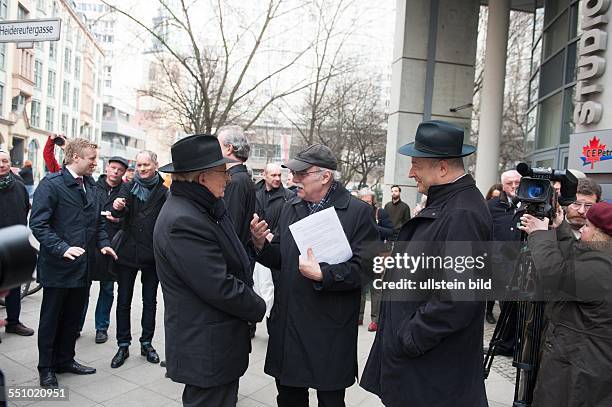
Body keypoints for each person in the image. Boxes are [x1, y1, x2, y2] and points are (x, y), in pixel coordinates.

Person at [361, 120, 492, 407]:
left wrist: (410, 337)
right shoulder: (448, 204)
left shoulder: (462, 213)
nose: (410, 172)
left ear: (442, 168)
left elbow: (458, 297)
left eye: (417, 165)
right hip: (425, 369)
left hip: (432, 373)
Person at [250, 144, 378, 407]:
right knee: (288, 397)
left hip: (328, 328)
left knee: (330, 400)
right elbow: (281, 258)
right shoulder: (290, 207)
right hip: (289, 326)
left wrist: (325, 274)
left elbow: (367, 269)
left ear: (325, 176)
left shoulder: (358, 212)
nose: (293, 180)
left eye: (301, 174)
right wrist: (261, 245)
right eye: (293, 174)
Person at [154, 134, 266, 407]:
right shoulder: (183, 220)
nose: (228, 179)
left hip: (219, 345)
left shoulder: (205, 206)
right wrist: (258, 306)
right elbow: (219, 285)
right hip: (205, 349)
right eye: (222, 173)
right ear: (202, 178)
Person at [30, 138, 117, 387]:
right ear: (75, 157)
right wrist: (62, 248)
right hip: (59, 267)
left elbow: (98, 223)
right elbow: (38, 224)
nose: (95, 163)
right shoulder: (52, 184)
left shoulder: (91, 186)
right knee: (51, 318)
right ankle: (46, 367)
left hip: (82, 267)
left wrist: (103, 244)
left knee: (72, 317)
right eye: (91, 158)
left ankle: (65, 359)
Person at [519, 202, 612, 407]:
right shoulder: (600, 258)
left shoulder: (602, 269)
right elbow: (574, 260)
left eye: (587, 226)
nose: (582, 230)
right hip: (580, 358)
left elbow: (555, 275)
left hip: (579, 368)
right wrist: (560, 228)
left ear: (601, 235)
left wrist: (538, 235)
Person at [109, 150, 168, 368]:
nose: (141, 169)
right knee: (123, 300)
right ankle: (123, 344)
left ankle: (146, 343)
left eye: (146, 165)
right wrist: (118, 208)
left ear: (155, 165)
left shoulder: (163, 192)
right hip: (127, 252)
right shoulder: (128, 187)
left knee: (149, 301)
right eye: (139, 165)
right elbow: (119, 214)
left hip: (152, 254)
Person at [78, 156, 128, 344]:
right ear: (107, 168)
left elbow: (130, 218)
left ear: (124, 173)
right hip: (90, 243)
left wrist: (118, 218)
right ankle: (76, 325)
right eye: (113, 167)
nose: (115, 172)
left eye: (119, 170)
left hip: (112, 244)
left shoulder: (126, 190)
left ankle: (101, 327)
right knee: (83, 288)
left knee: (107, 289)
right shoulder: (93, 186)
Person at [485, 170, 522, 358]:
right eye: (510, 183)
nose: (514, 186)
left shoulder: (532, 205)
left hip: (525, 265)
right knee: (506, 305)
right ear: (502, 185)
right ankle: (504, 344)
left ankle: (517, 345)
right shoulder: (492, 206)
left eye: (517, 182)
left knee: (520, 308)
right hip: (500, 264)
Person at [0, 149, 35, 340]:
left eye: (5, 161)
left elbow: (24, 209)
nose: (2, 165)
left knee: (14, 284)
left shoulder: (19, 185)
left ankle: (13, 322)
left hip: (14, 244)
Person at [357, 188, 393, 332]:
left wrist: (374, 227)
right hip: (361, 253)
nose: (367, 204)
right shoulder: (356, 213)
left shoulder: (380, 213)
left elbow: (390, 230)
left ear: (373, 201)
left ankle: (375, 320)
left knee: (375, 287)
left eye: (369, 201)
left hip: (377, 253)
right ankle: (358, 317)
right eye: (364, 201)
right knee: (360, 287)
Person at [217, 125, 256, 249]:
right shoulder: (242, 178)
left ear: (229, 148)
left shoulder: (235, 181)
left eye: (218, 146)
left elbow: (230, 228)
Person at [255, 163, 295, 235]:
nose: (278, 179)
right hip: (256, 241)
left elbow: (289, 222)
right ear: (264, 175)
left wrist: (274, 238)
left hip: (278, 243)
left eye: (279, 175)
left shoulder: (289, 196)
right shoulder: (255, 194)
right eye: (273, 175)